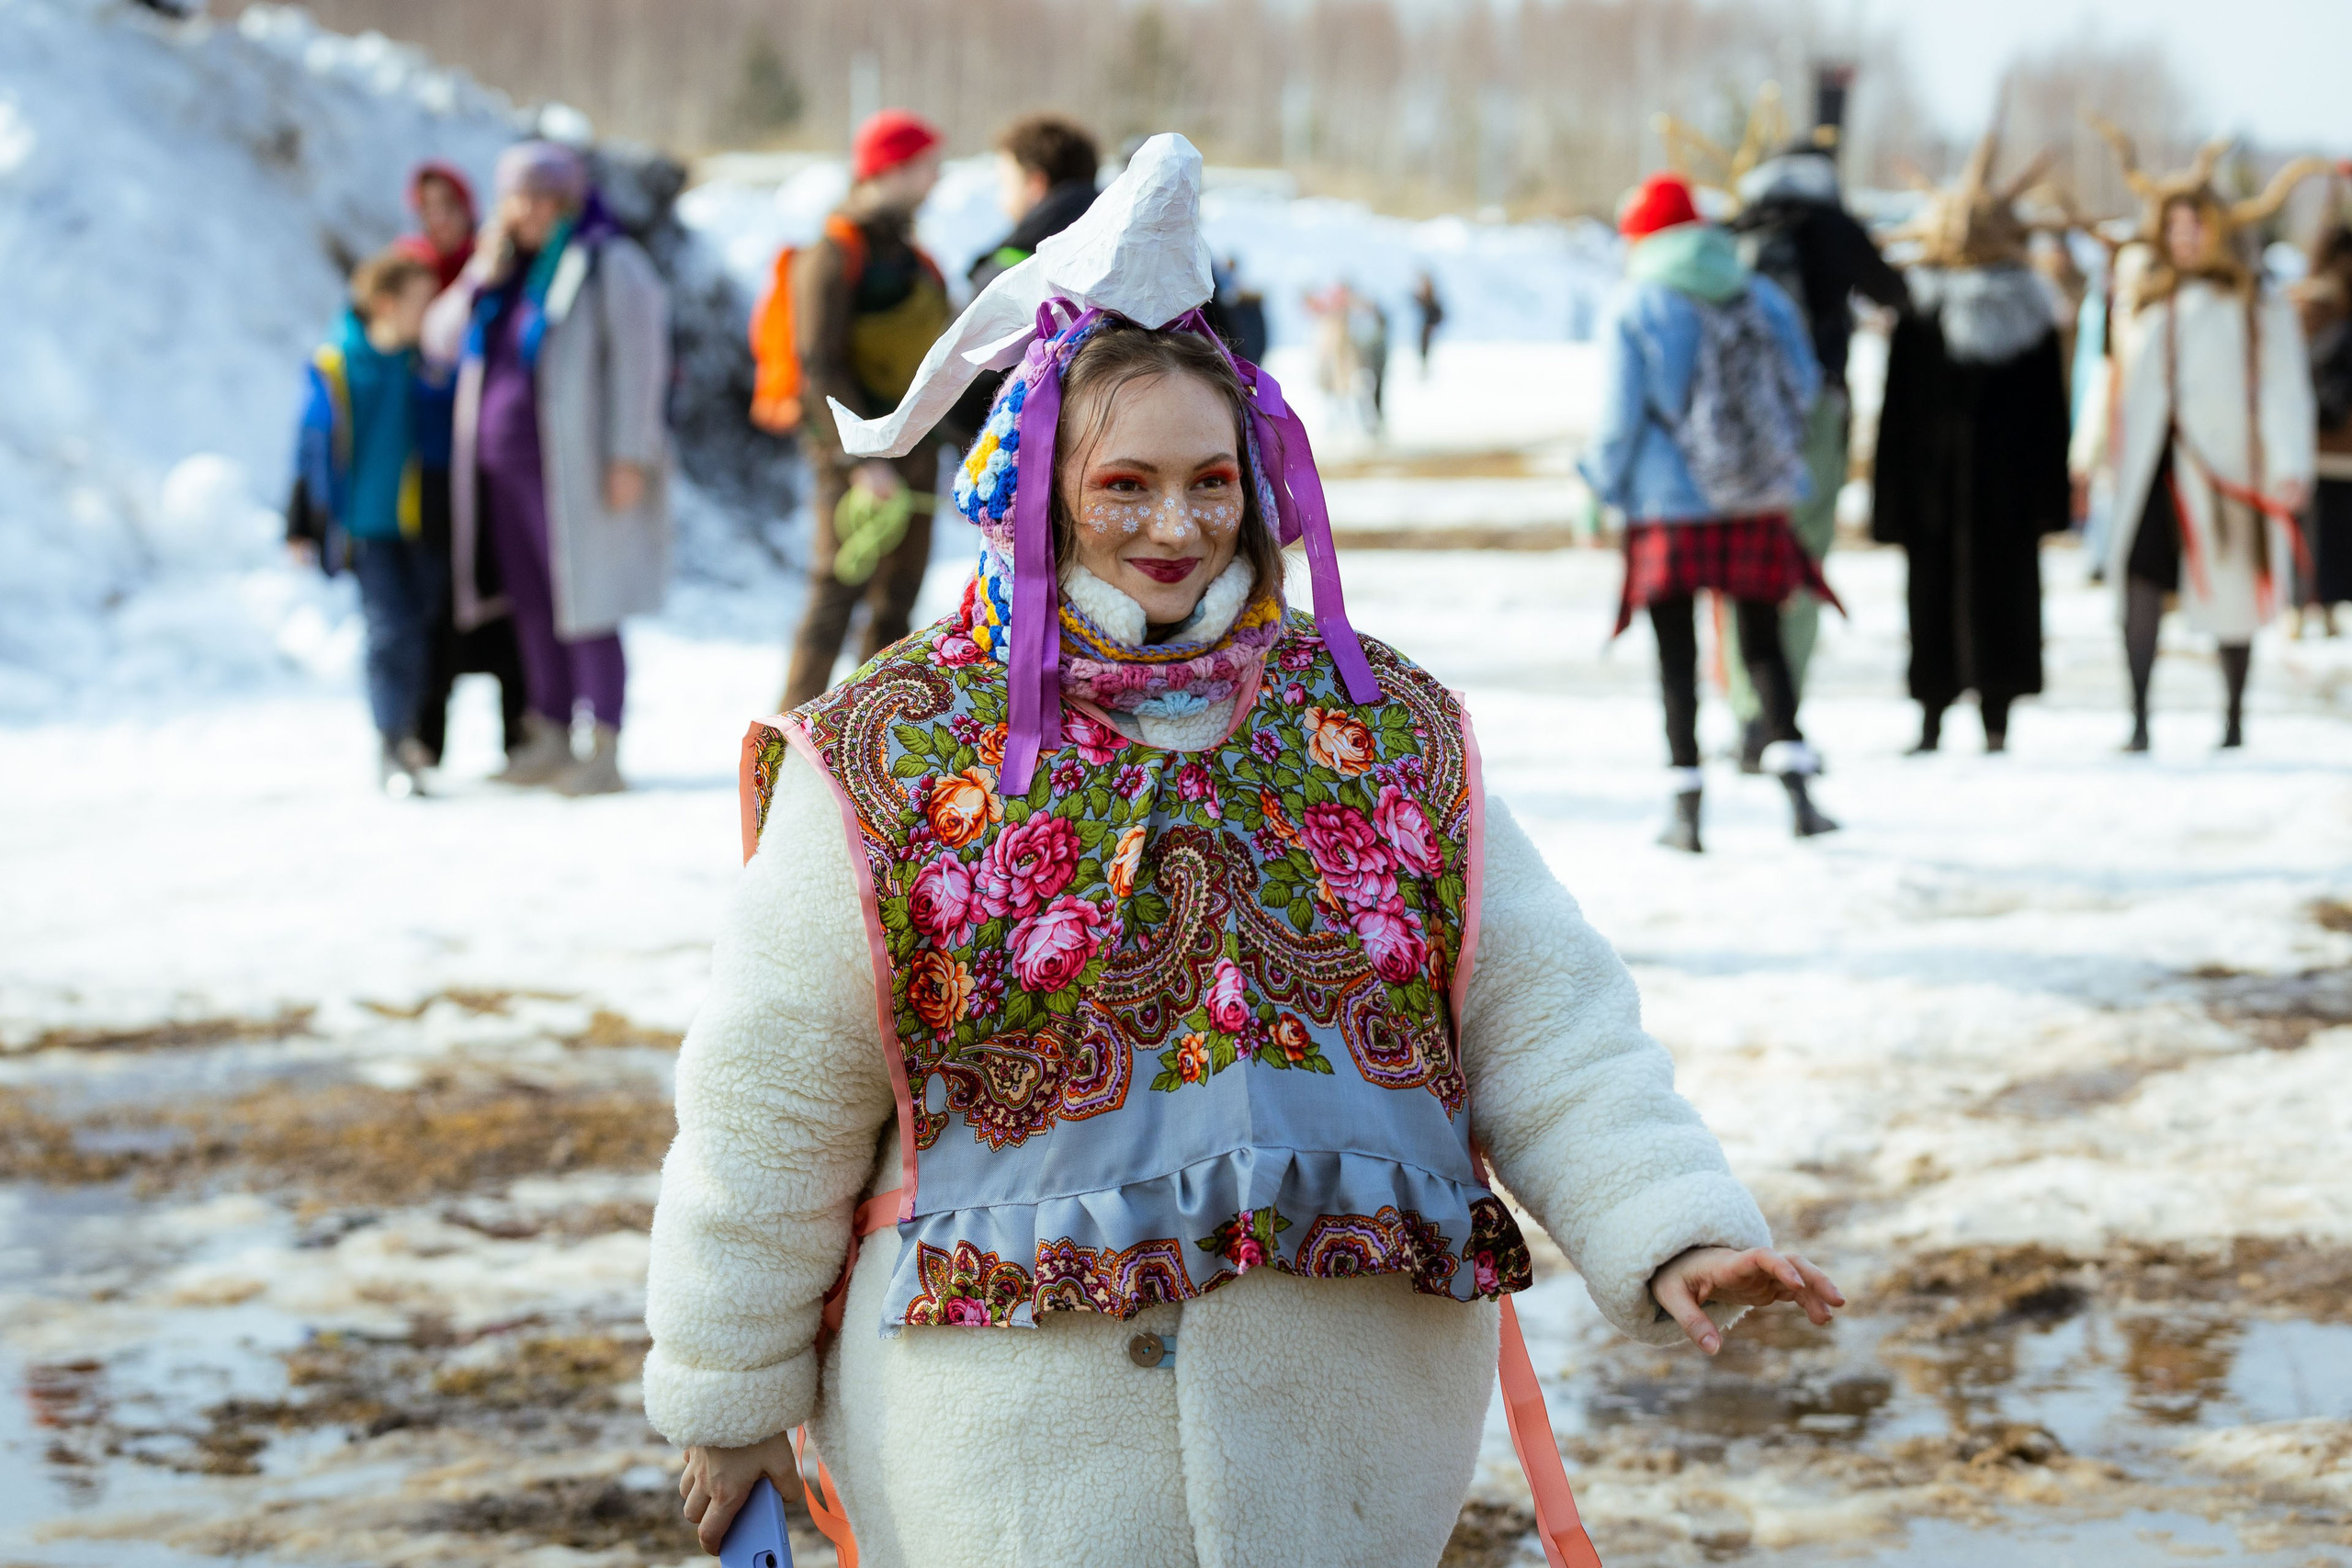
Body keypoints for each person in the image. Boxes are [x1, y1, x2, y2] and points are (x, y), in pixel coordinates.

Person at [643, 136, 1842, 1568]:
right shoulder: (893, 754)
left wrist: (1673, 1224)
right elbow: (770, 1095)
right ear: (1031, 485)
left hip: (1344, 1465)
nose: (1178, 525)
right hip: (1006, 1470)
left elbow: (1544, 1015)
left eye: (1213, 480)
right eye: (1125, 483)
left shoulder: (1382, 727)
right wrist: (728, 1394)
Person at [1582, 173, 1837, 852]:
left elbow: (1617, 419)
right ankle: (1800, 795)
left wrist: (1596, 491)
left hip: (1667, 504)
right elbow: (1805, 386)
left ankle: (1687, 809)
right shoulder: (1756, 291)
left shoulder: (1635, 303)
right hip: (1754, 497)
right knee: (1763, 644)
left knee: (1675, 655)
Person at [423, 141, 673, 795]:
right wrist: (479, 273)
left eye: (541, 197)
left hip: (576, 466)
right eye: (517, 197)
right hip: (500, 467)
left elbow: (639, 362)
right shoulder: (504, 273)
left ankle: (605, 744)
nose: (527, 211)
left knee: (588, 600)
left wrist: (630, 452)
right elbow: (439, 341)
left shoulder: (605, 262)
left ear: (567, 201)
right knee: (533, 604)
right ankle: (551, 733)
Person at [2093, 129, 2323, 751]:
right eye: (2176, 225)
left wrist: (2289, 464)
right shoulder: (2145, 299)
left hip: (2224, 467)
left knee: (2230, 593)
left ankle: (2233, 718)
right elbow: (2113, 385)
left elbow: (2283, 390)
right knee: (2139, 583)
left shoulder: (2255, 304)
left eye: (2196, 224)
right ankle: (2139, 718)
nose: (2186, 236)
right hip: (2150, 466)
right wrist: (2090, 456)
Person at [1870, 132, 2073, 753]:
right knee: (1930, 602)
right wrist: (1891, 501)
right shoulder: (1920, 315)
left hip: (2004, 495)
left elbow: (2049, 415)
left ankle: (1996, 715)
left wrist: (2047, 497)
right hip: (1932, 493)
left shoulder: (2029, 318)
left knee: (2003, 599)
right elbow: (1896, 414)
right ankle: (1931, 713)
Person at [1721, 138, 1908, 770]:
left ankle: (1746, 711)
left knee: (1740, 569)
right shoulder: (1837, 227)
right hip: (1817, 415)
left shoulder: (1738, 229)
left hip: (1740, 425)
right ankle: (1783, 714)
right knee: (1800, 565)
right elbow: (1897, 294)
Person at [778, 110, 962, 711]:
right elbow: (818, 364)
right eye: (925, 167)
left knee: (898, 603)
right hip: (855, 463)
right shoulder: (831, 256)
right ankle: (788, 739)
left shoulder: (916, 259)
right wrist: (861, 461)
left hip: (916, 455)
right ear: (889, 169)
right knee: (837, 593)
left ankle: (867, 736)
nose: (935, 180)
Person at [288, 249, 447, 796]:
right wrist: (300, 524)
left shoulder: (419, 363)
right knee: (389, 631)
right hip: (363, 526)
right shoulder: (338, 363)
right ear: (385, 302)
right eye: (419, 303)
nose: (427, 315)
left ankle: (411, 738)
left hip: (417, 521)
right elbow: (310, 448)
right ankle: (390, 738)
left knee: (422, 627)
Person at [948, 115, 1102, 435]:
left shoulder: (1017, 266)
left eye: (1005, 183)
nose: (1000, 199)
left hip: (1030, 453)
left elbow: (966, 383)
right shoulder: (1130, 252)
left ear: (1035, 184)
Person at [2293, 220, 2352, 637]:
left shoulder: (2305, 302)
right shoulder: (2316, 302)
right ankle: (2323, 605)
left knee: (2310, 529)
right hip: (2337, 440)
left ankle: (2304, 606)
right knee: (2333, 528)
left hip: (2313, 438)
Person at [395, 161, 479, 291]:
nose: (440, 219)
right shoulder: (410, 267)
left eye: (448, 204)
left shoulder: (490, 262)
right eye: (428, 208)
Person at [1412, 269, 1446, 374]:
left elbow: (1436, 312)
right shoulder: (1426, 295)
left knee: (1426, 348)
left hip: (1428, 327)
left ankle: (1425, 369)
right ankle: (1423, 368)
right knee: (1422, 349)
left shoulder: (1431, 296)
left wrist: (1432, 325)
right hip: (1425, 327)